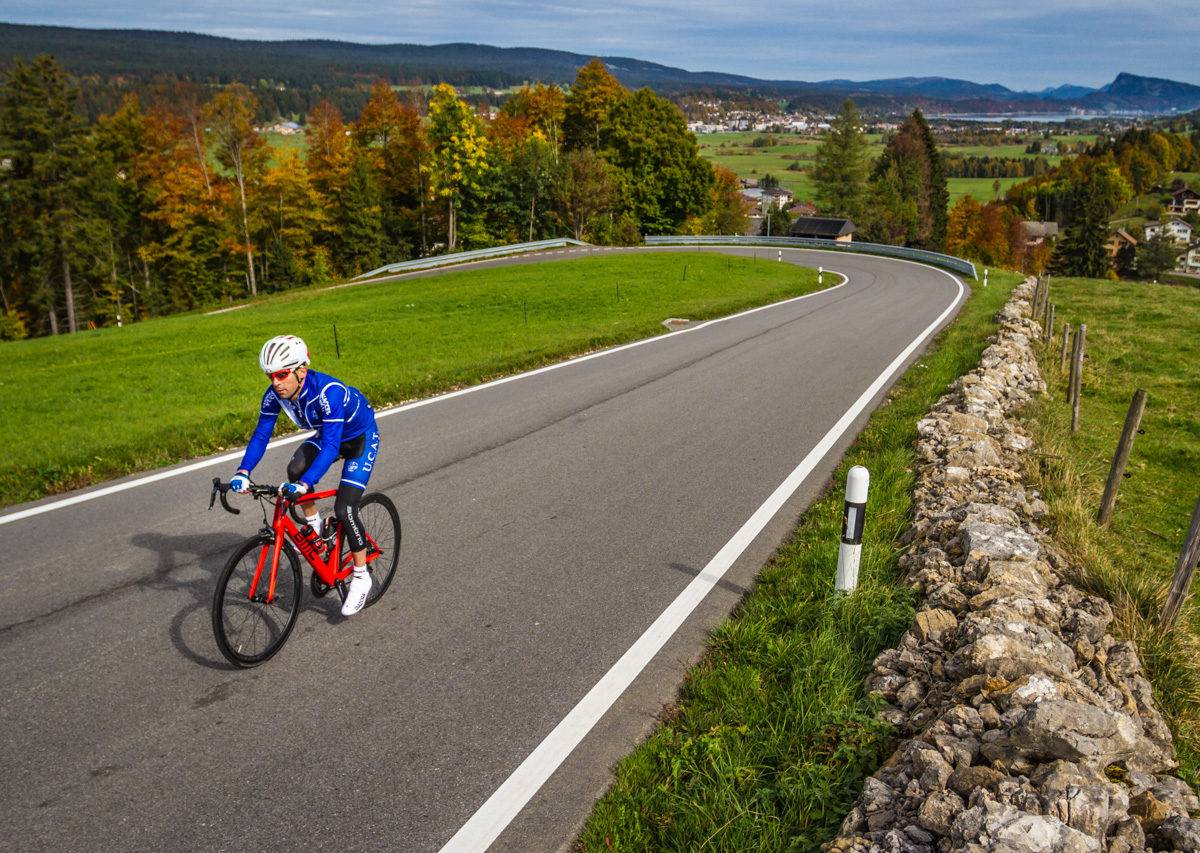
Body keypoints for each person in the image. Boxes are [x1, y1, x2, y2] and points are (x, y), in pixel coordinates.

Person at [230, 334, 381, 616]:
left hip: (358, 439)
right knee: (294, 470)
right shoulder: (276, 393)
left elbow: (332, 445)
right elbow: (262, 434)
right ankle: (315, 525)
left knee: (345, 508)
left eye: (281, 374)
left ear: (301, 370)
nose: (275, 382)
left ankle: (361, 577)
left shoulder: (328, 392)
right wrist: (243, 471)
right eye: (270, 375)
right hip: (328, 436)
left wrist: (304, 484)